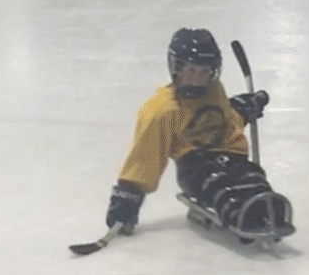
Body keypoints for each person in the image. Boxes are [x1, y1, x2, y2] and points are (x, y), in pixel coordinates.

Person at [104, 28, 288, 239]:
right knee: (217, 184)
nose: (197, 79)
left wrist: (242, 109)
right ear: (176, 69)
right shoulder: (161, 110)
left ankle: (264, 206)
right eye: (190, 71)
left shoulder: (215, 90)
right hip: (195, 166)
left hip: (230, 156)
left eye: (203, 72)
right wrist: (126, 199)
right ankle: (236, 211)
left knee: (253, 176)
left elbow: (223, 122)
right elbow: (144, 158)